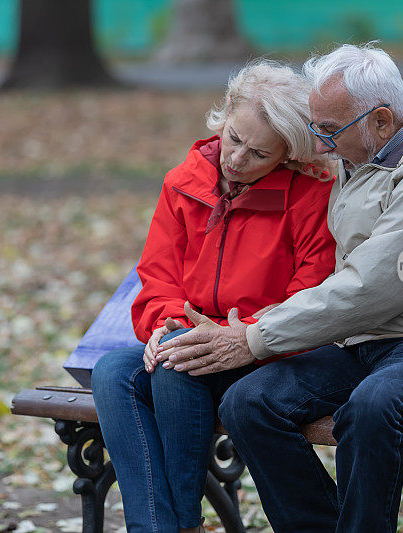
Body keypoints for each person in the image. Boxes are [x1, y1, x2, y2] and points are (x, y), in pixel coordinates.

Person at [157, 43, 403, 532]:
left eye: (329, 132)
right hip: (368, 345)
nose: (320, 147)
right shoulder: (362, 155)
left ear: (383, 121)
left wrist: (251, 338)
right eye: (316, 130)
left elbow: (370, 287)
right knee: (248, 402)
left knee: (371, 406)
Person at [91, 60, 337, 533]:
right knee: (113, 372)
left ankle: (183, 524)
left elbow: (311, 297)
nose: (237, 159)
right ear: (223, 118)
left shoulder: (309, 198)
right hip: (189, 342)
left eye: (259, 154)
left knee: (178, 364)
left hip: (266, 356)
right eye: (234, 138)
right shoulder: (183, 183)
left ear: (288, 157)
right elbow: (157, 275)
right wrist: (165, 326)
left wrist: (225, 337)